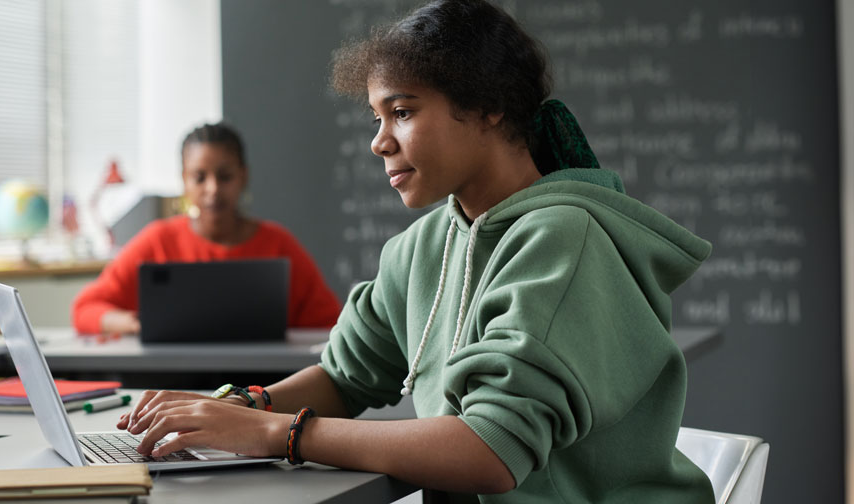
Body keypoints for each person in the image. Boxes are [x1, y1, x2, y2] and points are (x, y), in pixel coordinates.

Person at [114, 1, 717, 502]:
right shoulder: (424, 245)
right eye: (376, 118)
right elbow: (346, 375)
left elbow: (490, 451)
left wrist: (278, 433)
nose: (379, 142)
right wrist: (234, 408)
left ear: (487, 106)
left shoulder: (563, 240)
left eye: (401, 112)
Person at [71, 123, 342, 336]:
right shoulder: (158, 241)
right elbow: (85, 309)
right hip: (174, 384)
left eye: (225, 177)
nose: (212, 189)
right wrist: (135, 323)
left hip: (263, 388)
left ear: (243, 177)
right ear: (184, 181)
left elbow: (332, 324)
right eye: (199, 177)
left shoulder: (278, 244)